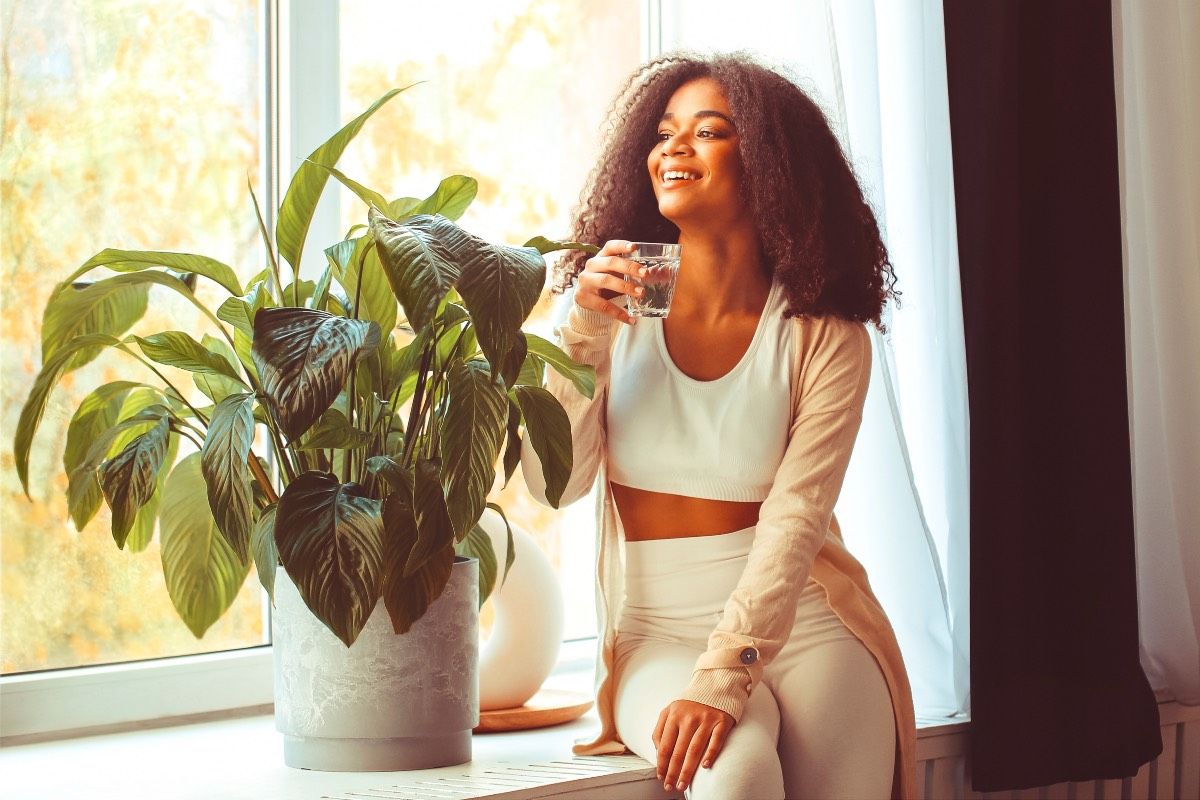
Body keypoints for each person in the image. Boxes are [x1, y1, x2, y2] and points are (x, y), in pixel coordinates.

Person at [521, 51, 918, 800]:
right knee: (734, 780)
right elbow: (555, 486)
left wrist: (728, 671)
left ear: (771, 166)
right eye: (666, 131)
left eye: (709, 132)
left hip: (805, 619)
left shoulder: (823, 336)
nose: (675, 147)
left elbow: (797, 518)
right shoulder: (612, 308)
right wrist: (579, 337)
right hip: (660, 629)